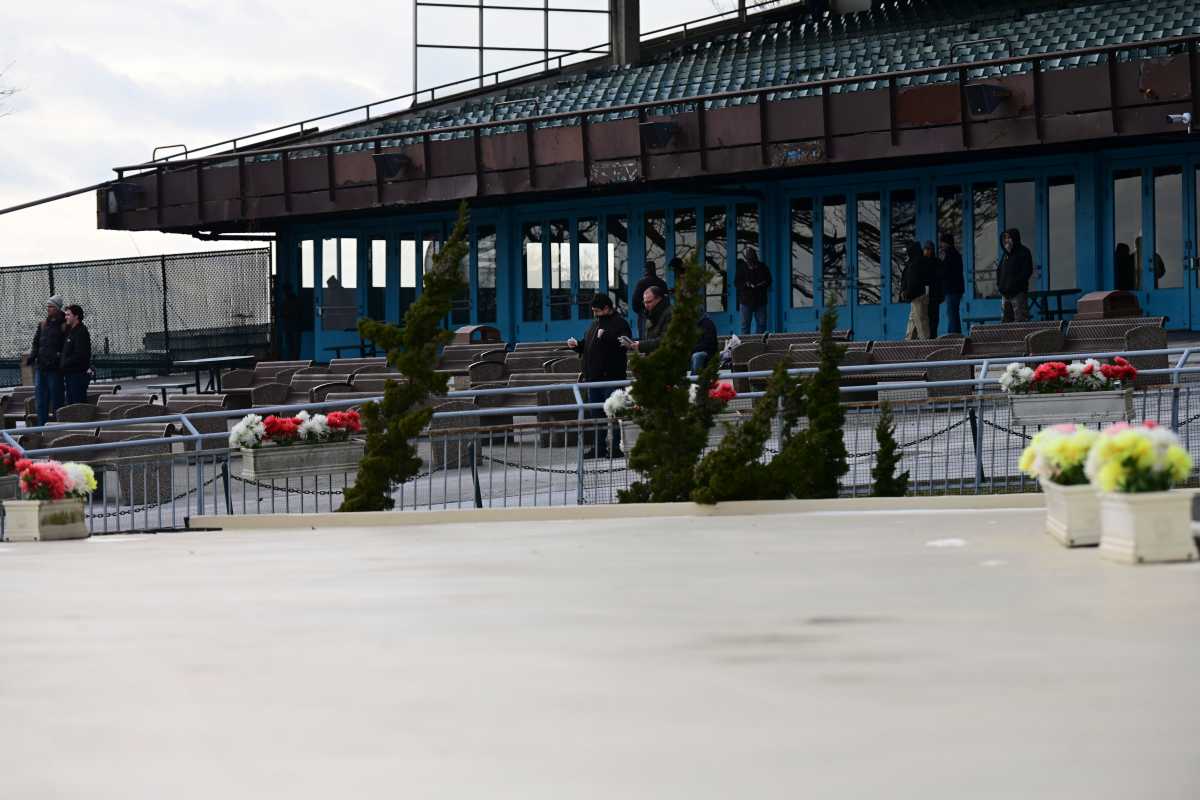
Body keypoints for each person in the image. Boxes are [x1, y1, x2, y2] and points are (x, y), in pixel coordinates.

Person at [567, 293, 632, 459]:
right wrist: (578, 345)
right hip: (593, 379)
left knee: (615, 413)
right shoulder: (594, 324)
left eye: (597, 310)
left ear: (607, 308)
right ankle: (599, 448)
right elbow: (588, 346)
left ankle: (617, 447)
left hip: (611, 377)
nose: (595, 314)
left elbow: (625, 344)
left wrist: (607, 336)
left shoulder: (620, 323)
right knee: (596, 416)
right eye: (593, 311)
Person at [29, 294, 66, 425]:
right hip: (41, 367)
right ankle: (41, 428)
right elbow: (36, 342)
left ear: (57, 308)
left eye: (51, 306)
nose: (48, 309)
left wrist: (58, 358)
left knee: (57, 400)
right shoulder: (43, 324)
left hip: (55, 370)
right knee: (41, 401)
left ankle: (56, 427)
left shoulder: (64, 325)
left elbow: (66, 346)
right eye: (48, 306)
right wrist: (32, 356)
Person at [996, 228, 1033, 322]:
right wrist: (1000, 286)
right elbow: (999, 271)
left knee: (1020, 319)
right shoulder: (1005, 255)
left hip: (1018, 293)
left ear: (1015, 238)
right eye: (1005, 238)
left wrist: (1016, 285)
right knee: (1005, 321)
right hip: (1005, 294)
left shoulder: (1024, 252)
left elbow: (1027, 271)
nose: (1006, 240)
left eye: (1009, 237)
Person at [623, 285, 672, 354]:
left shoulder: (669, 313)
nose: (646, 305)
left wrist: (641, 345)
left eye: (649, 302)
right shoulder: (650, 313)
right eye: (644, 302)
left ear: (659, 299)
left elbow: (665, 339)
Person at [734, 248, 772, 335]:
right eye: (749, 259)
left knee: (762, 324)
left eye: (753, 258)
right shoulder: (741, 268)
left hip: (760, 300)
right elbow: (737, 283)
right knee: (745, 325)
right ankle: (746, 345)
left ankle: (758, 344)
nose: (751, 262)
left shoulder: (763, 267)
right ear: (747, 259)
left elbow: (769, 281)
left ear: (756, 257)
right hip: (746, 300)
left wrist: (762, 284)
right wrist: (746, 284)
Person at [60, 304, 92, 406]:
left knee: (78, 405)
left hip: (78, 375)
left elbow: (80, 354)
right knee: (71, 404)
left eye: (68, 315)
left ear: (76, 316)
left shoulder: (81, 331)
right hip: (70, 374)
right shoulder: (71, 331)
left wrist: (65, 362)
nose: (66, 317)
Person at [901, 241, 931, 340]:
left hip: (917, 296)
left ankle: (924, 343)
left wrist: (907, 293)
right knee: (914, 320)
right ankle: (909, 341)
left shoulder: (914, 264)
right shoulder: (922, 261)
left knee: (920, 322)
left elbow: (913, 282)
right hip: (921, 295)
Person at [632, 261, 668, 338]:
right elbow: (666, 300)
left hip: (645, 314)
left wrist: (642, 310)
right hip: (661, 314)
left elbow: (635, 302)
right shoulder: (662, 283)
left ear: (645, 270)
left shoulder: (641, 283)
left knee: (645, 338)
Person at [940, 233, 965, 335]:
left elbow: (946, 272)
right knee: (953, 313)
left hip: (952, 289)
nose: (941, 245)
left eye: (942, 242)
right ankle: (953, 334)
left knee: (952, 313)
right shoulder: (955, 254)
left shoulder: (950, 255)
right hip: (956, 289)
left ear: (946, 243)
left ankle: (953, 335)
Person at [924, 240, 944, 337]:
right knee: (928, 320)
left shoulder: (935, 262)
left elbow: (940, 280)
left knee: (933, 320)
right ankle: (930, 339)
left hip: (933, 296)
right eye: (926, 249)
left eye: (929, 249)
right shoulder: (923, 262)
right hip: (928, 296)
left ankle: (932, 338)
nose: (927, 251)